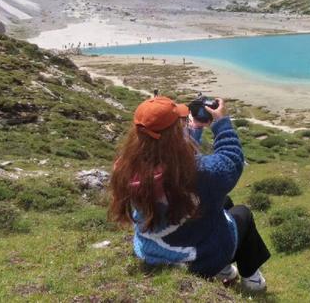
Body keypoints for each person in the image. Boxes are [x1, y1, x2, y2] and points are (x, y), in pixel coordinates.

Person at [109, 96, 270, 292]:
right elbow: (231, 161)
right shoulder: (196, 174)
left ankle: (225, 271)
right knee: (243, 214)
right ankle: (252, 281)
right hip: (191, 257)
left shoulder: (126, 166)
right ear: (174, 134)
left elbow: (172, 156)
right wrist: (222, 124)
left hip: (154, 246)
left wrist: (196, 128)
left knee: (225, 202)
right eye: (180, 123)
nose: (183, 124)